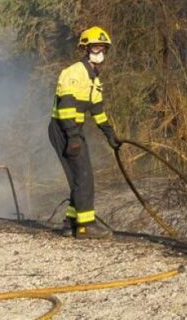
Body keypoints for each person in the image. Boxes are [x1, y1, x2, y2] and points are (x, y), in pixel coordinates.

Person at [48, 26, 122, 239]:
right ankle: (85, 226)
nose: (100, 52)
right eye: (96, 47)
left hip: (73, 130)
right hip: (64, 129)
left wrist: (109, 134)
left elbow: (97, 110)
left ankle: (71, 222)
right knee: (83, 176)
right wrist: (72, 137)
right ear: (85, 48)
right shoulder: (73, 73)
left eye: (103, 48)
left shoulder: (94, 79)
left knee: (80, 176)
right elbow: (65, 108)